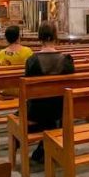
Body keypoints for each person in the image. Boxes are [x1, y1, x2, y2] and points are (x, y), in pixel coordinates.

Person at [25, 21, 75, 163]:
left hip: (37, 111)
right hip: (61, 109)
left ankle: (41, 146)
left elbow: (29, 91)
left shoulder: (32, 61)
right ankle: (45, 146)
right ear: (55, 35)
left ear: (39, 37)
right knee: (52, 107)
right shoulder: (67, 60)